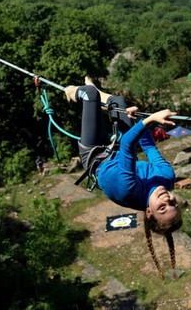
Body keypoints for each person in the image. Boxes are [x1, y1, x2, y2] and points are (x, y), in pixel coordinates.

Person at [65, 76, 183, 279]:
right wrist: (139, 122)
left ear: (148, 212)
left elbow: (129, 143)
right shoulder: (167, 177)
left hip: (96, 154)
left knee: (89, 94)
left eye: (162, 208)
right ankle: (101, 99)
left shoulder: (129, 191)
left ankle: (72, 92)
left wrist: (148, 120)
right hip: (118, 151)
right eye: (173, 203)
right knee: (118, 103)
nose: (167, 199)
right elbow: (148, 146)